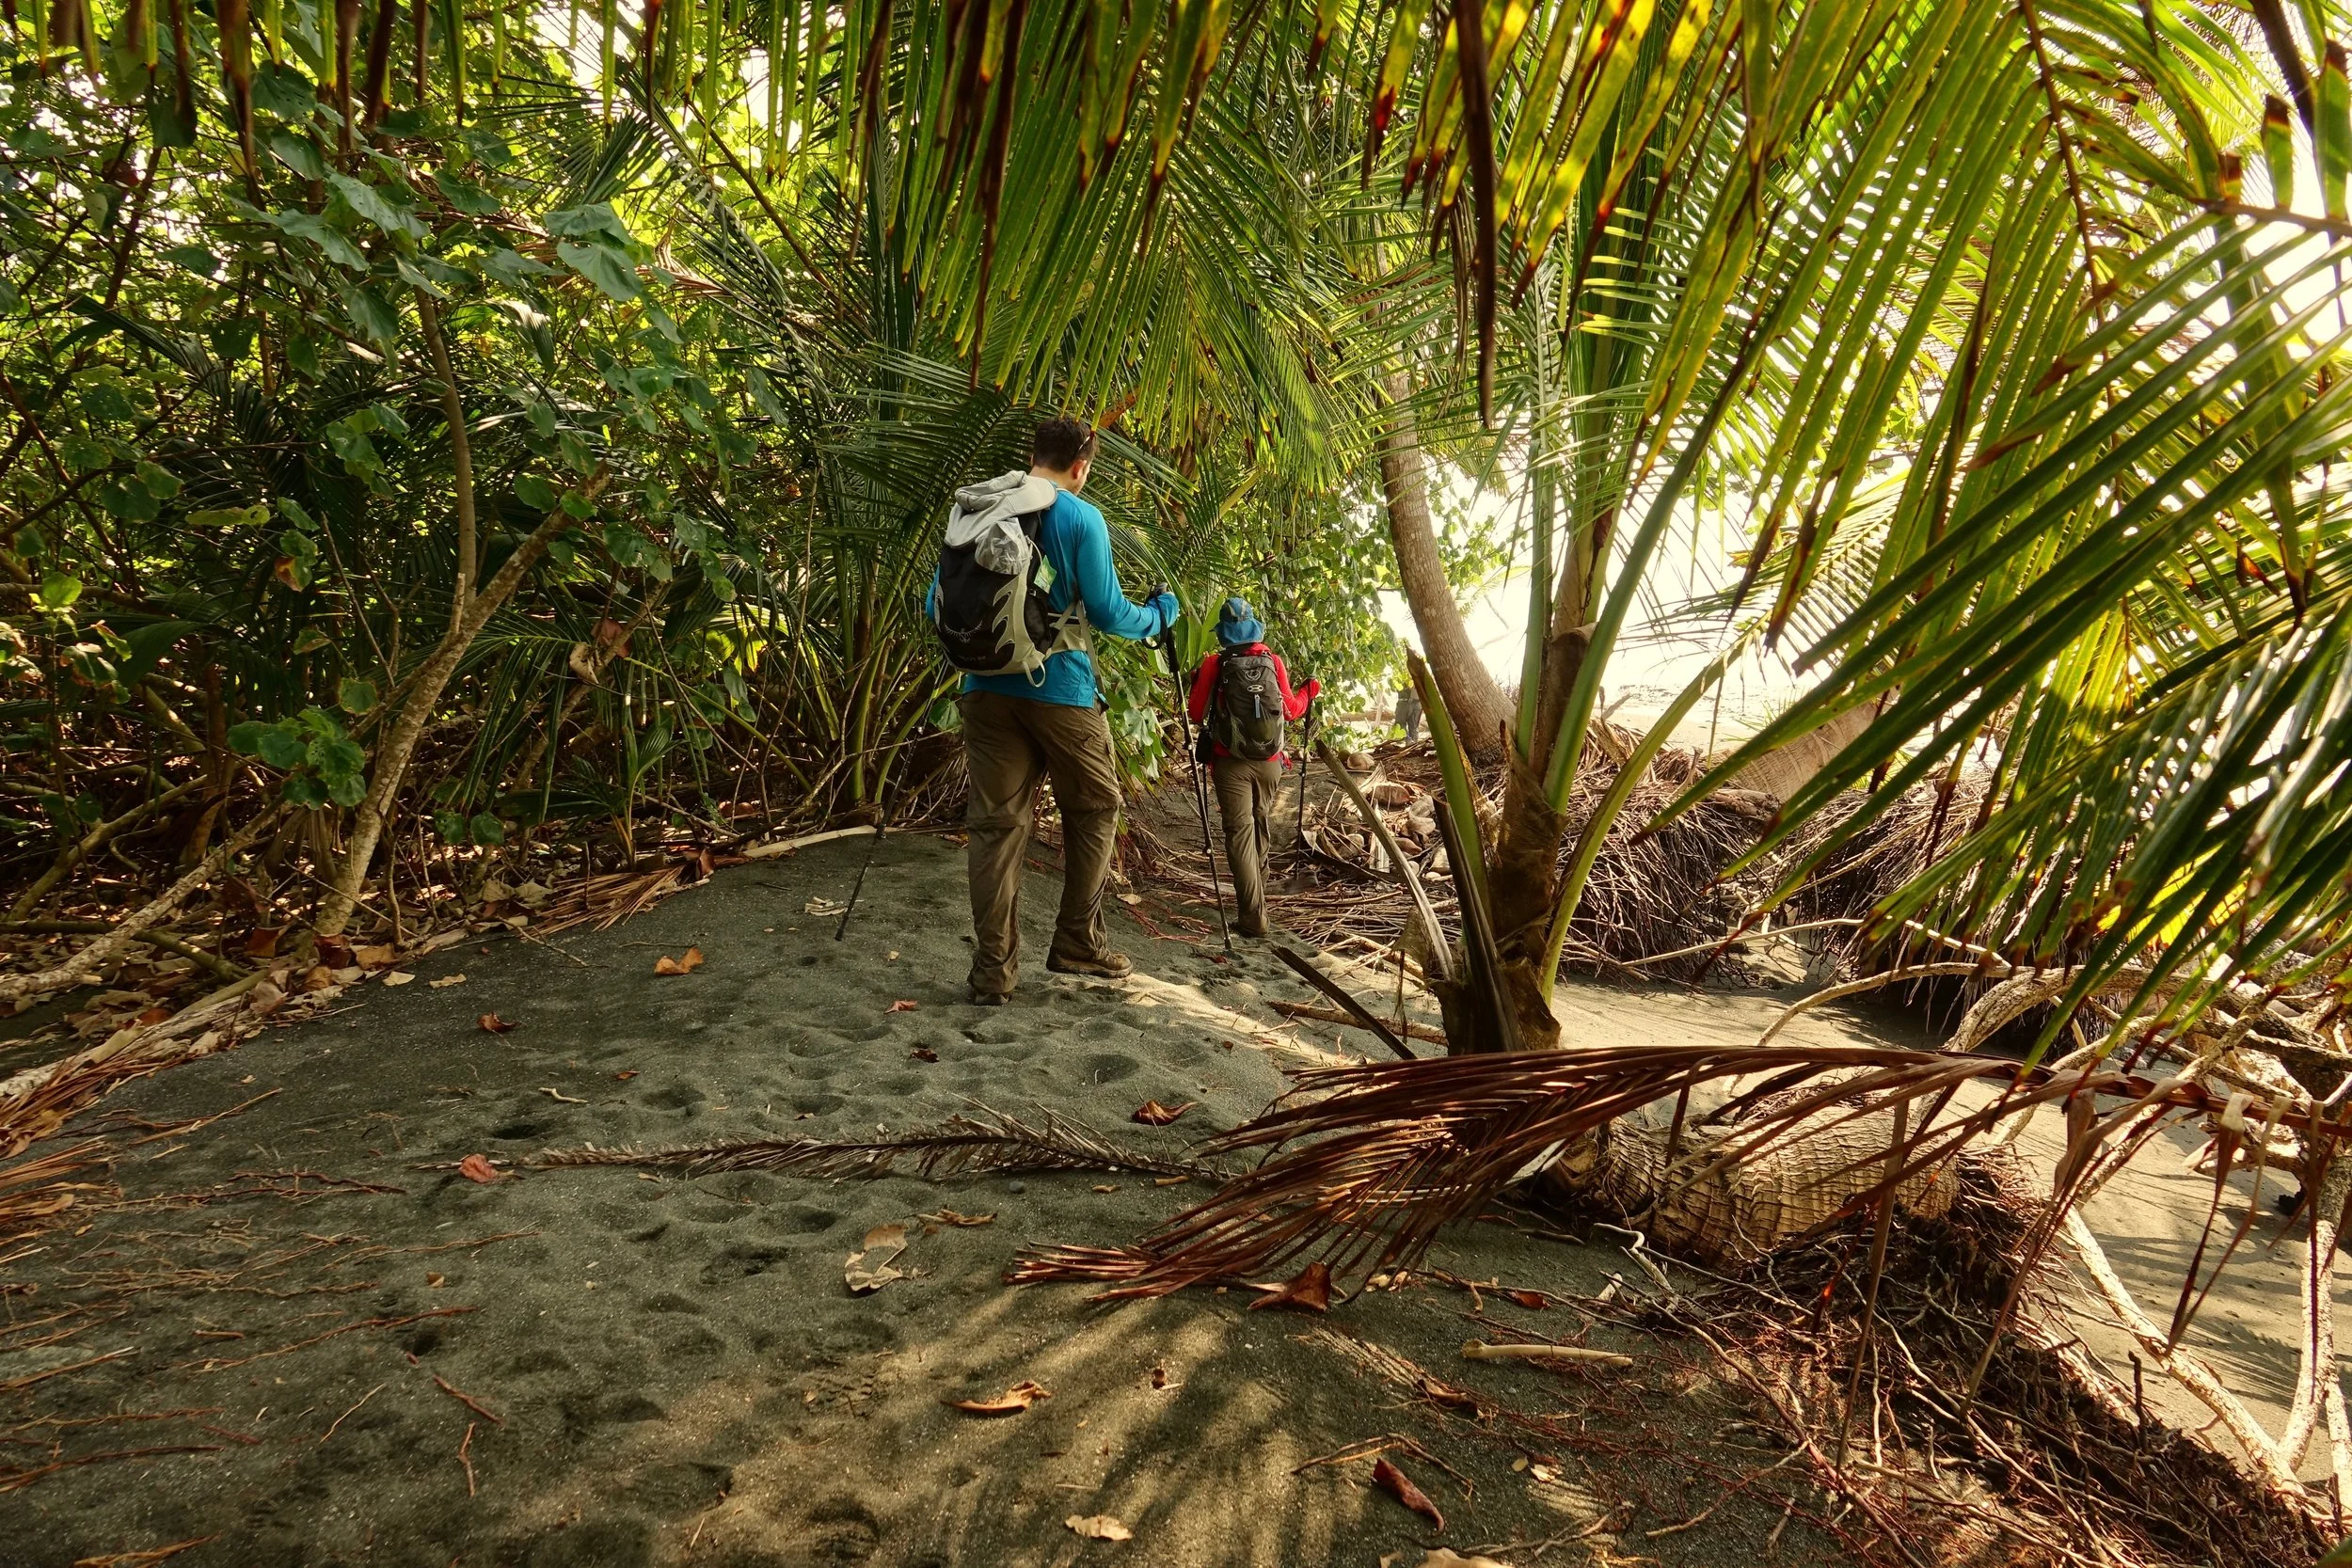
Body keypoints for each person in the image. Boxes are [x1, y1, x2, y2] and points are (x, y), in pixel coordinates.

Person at [946, 418, 1179, 1005]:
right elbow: (1106, 613)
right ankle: (1077, 940)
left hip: (984, 688)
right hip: (1060, 691)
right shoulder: (1080, 517)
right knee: (1098, 806)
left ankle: (992, 973)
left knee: (996, 829)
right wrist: (1160, 617)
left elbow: (938, 599)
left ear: (1033, 456)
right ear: (1081, 466)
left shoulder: (979, 508)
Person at [1186, 598, 1319, 939]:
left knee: (1240, 833)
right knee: (1259, 824)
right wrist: (1309, 691)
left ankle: (1253, 916)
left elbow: (1196, 713)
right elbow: (1290, 710)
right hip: (1270, 763)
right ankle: (1257, 897)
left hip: (1230, 762)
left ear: (1225, 633)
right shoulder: (1272, 661)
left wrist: (1196, 681)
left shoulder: (1216, 663)